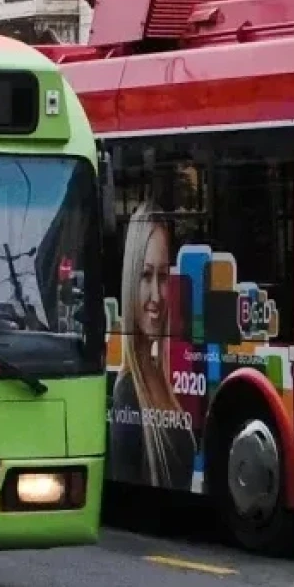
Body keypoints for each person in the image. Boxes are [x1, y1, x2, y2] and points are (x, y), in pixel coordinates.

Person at [108, 201, 196, 491]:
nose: (156, 295)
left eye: (163, 276)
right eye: (146, 276)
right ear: (130, 281)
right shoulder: (127, 394)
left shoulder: (159, 377)